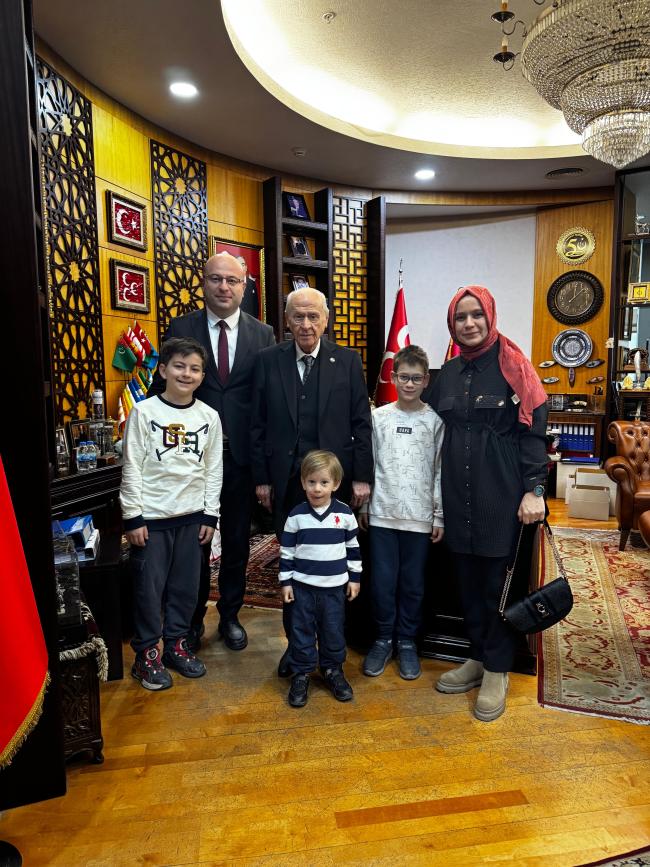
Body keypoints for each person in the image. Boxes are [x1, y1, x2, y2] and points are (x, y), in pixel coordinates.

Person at [428, 285, 547, 721]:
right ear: (452, 323)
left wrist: (535, 489)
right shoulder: (448, 372)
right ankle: (477, 656)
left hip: (502, 493)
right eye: (461, 317)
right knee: (467, 583)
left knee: (499, 586)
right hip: (457, 497)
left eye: (476, 314)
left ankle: (498, 667)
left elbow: (534, 435)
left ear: (490, 316)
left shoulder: (515, 367)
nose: (469, 323)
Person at [149, 251, 275, 653]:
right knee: (194, 543)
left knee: (236, 540)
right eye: (216, 279)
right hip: (191, 457)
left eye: (232, 280)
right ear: (203, 283)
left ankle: (230, 615)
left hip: (239, 458)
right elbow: (163, 389)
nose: (224, 287)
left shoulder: (263, 334)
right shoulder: (181, 327)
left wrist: (265, 465)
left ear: (244, 286)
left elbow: (268, 401)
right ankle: (190, 620)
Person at [250, 286, 373, 676]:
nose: (306, 324)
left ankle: (333, 651)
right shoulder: (268, 360)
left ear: (326, 319)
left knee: (334, 563)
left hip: (333, 483)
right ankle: (297, 647)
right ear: (286, 321)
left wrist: (362, 478)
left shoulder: (347, 361)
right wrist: (262, 479)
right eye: (298, 316)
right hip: (287, 484)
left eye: (313, 316)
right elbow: (257, 425)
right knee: (294, 564)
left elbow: (361, 424)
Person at [120, 337, 223, 690]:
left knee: (185, 588)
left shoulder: (209, 416)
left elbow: (213, 470)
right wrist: (133, 516)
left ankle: (177, 644)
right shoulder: (144, 412)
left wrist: (210, 515)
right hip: (152, 519)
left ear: (202, 376)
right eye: (179, 366)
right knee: (149, 590)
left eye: (195, 369)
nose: (186, 374)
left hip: (192, 518)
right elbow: (132, 466)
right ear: (163, 370)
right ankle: (147, 654)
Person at [359, 345, 445, 681]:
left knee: (412, 585)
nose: (409, 384)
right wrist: (365, 505)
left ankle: (407, 642)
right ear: (392, 378)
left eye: (416, 378)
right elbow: (369, 466)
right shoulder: (378, 418)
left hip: (420, 519)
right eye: (403, 377)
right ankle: (382, 639)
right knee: (382, 583)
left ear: (426, 381)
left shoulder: (435, 422)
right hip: (382, 514)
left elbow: (439, 471)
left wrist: (439, 515)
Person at [279, 451, 361, 707]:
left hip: (334, 590)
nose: (317, 488)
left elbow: (353, 549)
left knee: (333, 631)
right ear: (303, 482)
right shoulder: (296, 516)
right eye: (311, 482)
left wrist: (354, 579)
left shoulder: (345, 514)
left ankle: (332, 669)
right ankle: (301, 672)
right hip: (302, 589)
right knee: (301, 631)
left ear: (335, 484)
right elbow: (287, 552)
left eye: (324, 482)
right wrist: (286, 582)